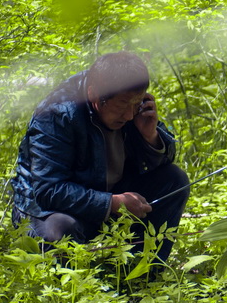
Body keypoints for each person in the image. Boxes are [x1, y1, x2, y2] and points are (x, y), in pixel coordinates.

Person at [10, 51, 189, 266]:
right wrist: (112, 203)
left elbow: (164, 160)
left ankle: (141, 275)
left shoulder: (131, 102)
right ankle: (75, 290)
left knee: (174, 180)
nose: (130, 115)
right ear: (95, 95)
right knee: (59, 230)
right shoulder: (57, 114)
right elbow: (48, 191)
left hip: (106, 197)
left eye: (136, 104)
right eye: (123, 105)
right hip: (47, 210)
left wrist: (150, 136)